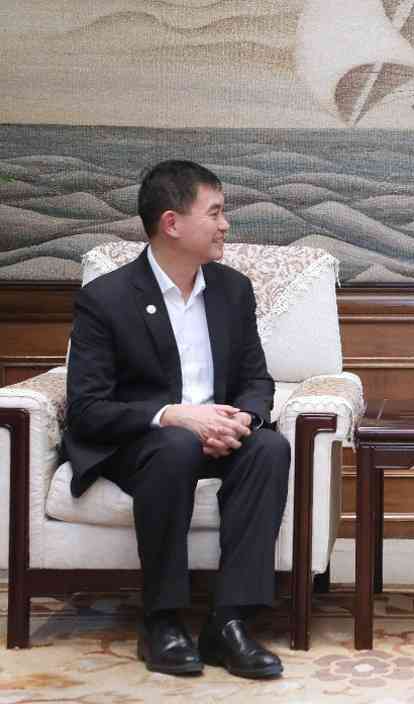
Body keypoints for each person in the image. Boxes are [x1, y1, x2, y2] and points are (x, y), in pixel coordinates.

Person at [64, 160, 290, 679]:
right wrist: (175, 416)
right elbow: (87, 408)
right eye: (215, 212)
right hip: (142, 443)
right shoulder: (106, 298)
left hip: (218, 436)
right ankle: (161, 619)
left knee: (270, 449)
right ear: (172, 223)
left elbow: (256, 380)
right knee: (176, 444)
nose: (225, 225)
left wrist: (242, 421)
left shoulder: (233, 290)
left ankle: (229, 622)